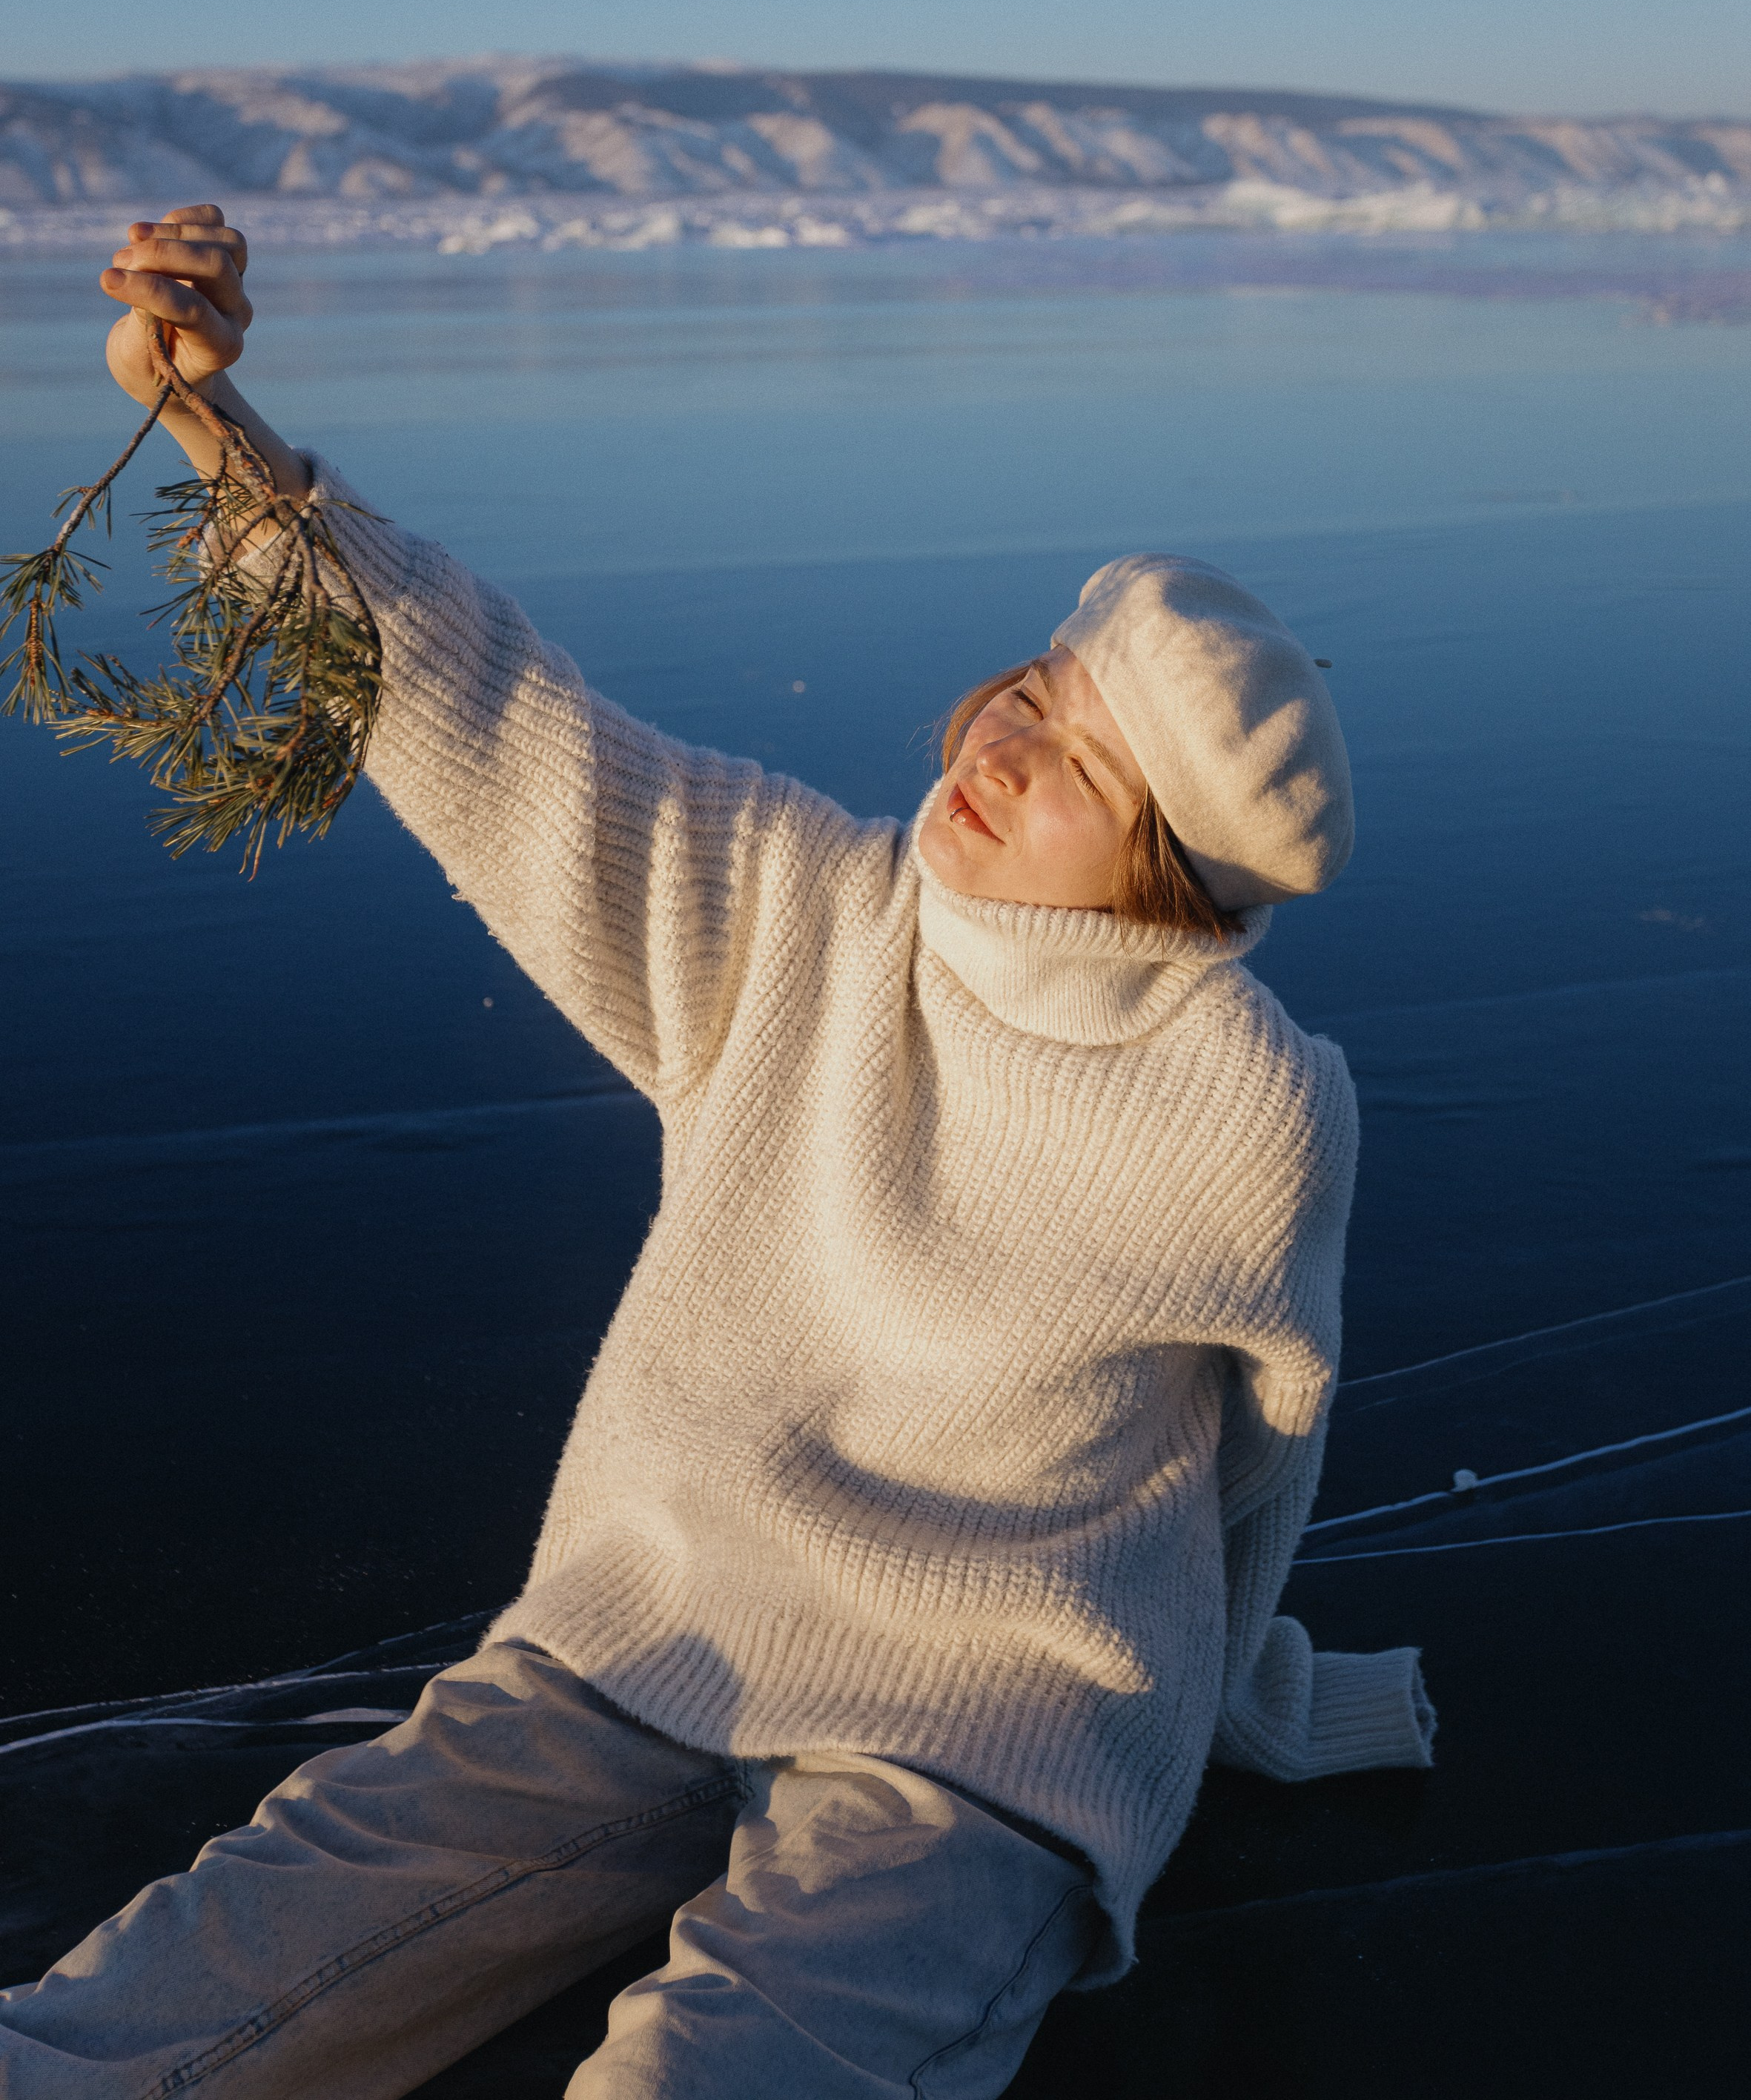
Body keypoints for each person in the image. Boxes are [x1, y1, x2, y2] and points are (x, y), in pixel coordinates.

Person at [0, 208, 1434, 2100]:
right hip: (655, 1617)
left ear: (1165, 865)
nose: (999, 741)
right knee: (191, 1980)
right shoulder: (804, 908)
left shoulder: (1242, 1104)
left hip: (982, 1722)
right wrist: (224, 440)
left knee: (722, 2070)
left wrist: (1214, 1698)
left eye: (1074, 760)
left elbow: (1268, 1443)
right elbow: (501, 721)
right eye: (1029, 684)